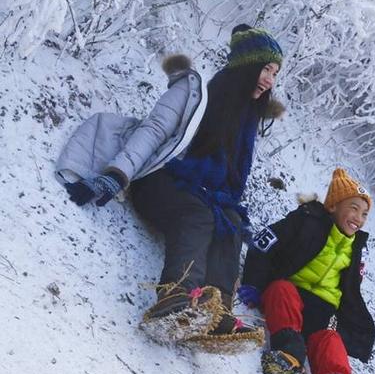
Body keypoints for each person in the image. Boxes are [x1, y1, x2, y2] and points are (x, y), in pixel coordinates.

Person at [55, 24, 285, 346]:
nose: (270, 80)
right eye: (266, 69)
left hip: (202, 194)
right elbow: (153, 131)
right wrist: (117, 173)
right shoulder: (195, 92)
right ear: (247, 66)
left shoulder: (244, 120)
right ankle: (176, 301)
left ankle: (215, 314)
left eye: (275, 73)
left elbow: (232, 182)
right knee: (201, 215)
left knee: (230, 221)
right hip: (158, 179)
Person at [238, 168, 375, 374]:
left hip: (321, 315)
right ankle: (288, 354)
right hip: (291, 293)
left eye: (364, 214)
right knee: (281, 290)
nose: (359, 218)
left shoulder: (354, 251)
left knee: (330, 341)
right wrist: (254, 282)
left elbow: (351, 292)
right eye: (353, 208)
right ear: (333, 206)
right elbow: (265, 243)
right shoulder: (306, 220)